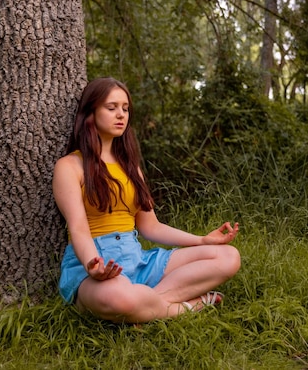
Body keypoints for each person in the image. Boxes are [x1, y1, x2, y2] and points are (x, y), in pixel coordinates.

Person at [53, 77, 241, 324]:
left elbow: (151, 227)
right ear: (90, 113)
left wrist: (202, 240)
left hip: (138, 260)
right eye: (111, 108)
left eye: (125, 108)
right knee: (121, 298)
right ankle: (186, 306)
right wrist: (92, 266)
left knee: (228, 256)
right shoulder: (70, 166)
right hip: (93, 265)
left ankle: (149, 303)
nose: (121, 114)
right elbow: (78, 228)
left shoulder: (131, 169)